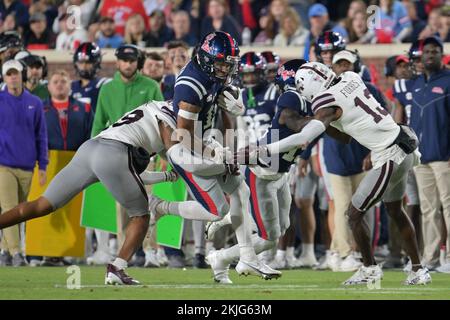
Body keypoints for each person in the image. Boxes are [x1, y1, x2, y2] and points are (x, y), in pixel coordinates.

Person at [245, 61, 432, 285]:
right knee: (395, 210)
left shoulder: (325, 101)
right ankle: (418, 270)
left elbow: (305, 137)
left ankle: (370, 269)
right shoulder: (351, 77)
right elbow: (346, 132)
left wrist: (264, 149)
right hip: (404, 144)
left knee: (353, 214)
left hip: (389, 156)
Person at [0, 100, 186, 283]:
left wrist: (168, 177)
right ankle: (117, 269)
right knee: (141, 216)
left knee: (42, 204)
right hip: (113, 154)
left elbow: (135, 175)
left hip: (90, 149)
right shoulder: (171, 117)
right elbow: (173, 152)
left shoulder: (152, 110)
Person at [148, 31, 280, 283]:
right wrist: (218, 153)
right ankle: (160, 207)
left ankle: (243, 258)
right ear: (208, 60)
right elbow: (183, 134)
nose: (226, 68)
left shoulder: (212, 73)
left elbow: (227, 115)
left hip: (204, 142)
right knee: (218, 210)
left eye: (229, 64)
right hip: (185, 149)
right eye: (222, 63)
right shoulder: (191, 83)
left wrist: (233, 119)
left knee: (240, 191)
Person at [208, 59, 310, 281]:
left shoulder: (305, 99)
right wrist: (321, 121)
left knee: (283, 226)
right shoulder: (291, 97)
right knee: (269, 236)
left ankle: (229, 227)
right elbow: (290, 121)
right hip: (262, 173)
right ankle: (222, 257)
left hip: (280, 172)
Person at [0, 59, 48, 267]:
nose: (13, 77)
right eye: (9, 74)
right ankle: (16, 253)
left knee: (19, 211)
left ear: (22, 75)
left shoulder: (35, 103)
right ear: (4, 77)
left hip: (28, 165)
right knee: (9, 207)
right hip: (4, 164)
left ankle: (4, 250)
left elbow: (41, 135)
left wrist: (43, 165)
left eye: (16, 73)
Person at [409, 36, 450, 273]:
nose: (431, 55)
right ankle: (431, 258)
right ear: (422, 57)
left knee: (448, 206)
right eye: (427, 52)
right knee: (428, 209)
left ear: (442, 54)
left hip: (444, 157)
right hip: (421, 157)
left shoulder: (448, 81)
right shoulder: (417, 83)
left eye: (436, 51)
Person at [71, 42, 110, 113]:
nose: (84, 66)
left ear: (96, 63)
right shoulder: (70, 86)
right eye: (81, 62)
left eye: (88, 63)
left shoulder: (104, 84)